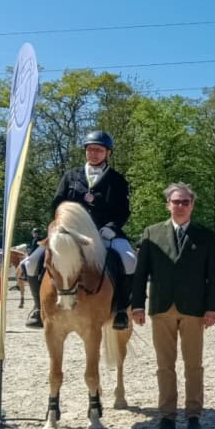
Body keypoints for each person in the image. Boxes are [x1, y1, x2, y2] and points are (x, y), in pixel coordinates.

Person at [131, 183, 215, 429]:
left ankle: (193, 415)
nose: (180, 206)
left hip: (194, 309)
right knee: (164, 365)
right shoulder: (151, 233)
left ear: (192, 205)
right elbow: (141, 273)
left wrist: (212, 308)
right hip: (161, 308)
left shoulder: (206, 235)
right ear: (167, 204)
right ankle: (166, 416)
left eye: (185, 202)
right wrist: (137, 304)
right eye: (176, 201)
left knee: (193, 365)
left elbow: (214, 276)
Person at [21, 130, 136, 330]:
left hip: (104, 232)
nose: (94, 153)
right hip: (69, 233)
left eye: (99, 150)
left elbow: (123, 211)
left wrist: (111, 228)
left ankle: (121, 310)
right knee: (31, 262)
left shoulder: (117, 180)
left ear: (108, 153)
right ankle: (38, 309)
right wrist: (62, 226)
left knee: (129, 260)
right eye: (90, 149)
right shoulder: (70, 176)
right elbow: (56, 204)